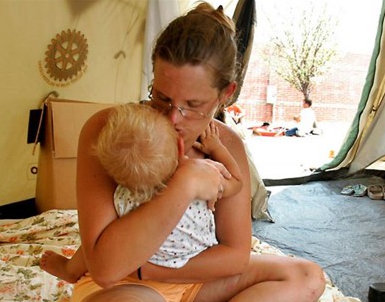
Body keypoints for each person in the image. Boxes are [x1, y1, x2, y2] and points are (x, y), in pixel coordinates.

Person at [68, 3, 325, 302]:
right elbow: (107, 268)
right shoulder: (109, 131)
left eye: (193, 105)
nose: (174, 119)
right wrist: (184, 184)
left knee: (307, 277)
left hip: (196, 281)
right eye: (161, 98)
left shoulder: (227, 144)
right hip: (123, 287)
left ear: (226, 93)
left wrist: (150, 268)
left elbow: (235, 256)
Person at [40, 102, 243, 282]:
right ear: (180, 148)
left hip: (143, 257)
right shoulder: (201, 177)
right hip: (191, 257)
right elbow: (236, 182)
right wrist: (217, 148)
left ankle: (70, 270)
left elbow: (100, 250)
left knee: (97, 242)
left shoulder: (123, 199)